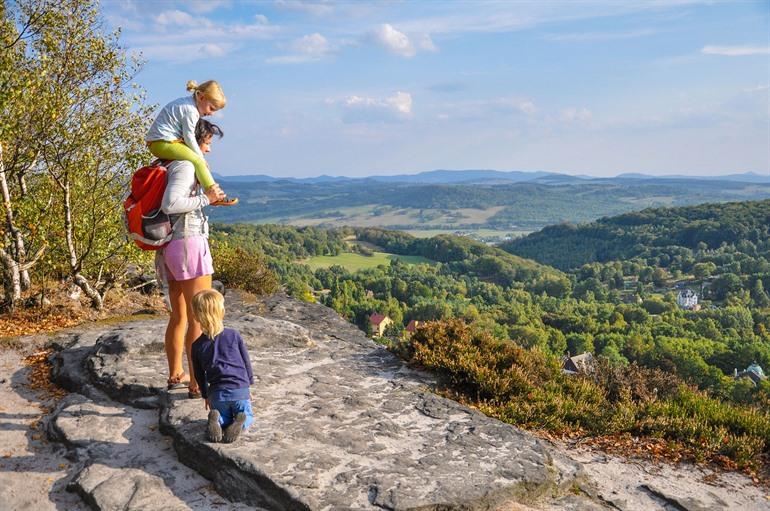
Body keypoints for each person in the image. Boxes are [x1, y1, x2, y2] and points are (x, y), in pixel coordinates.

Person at [157, 119, 226, 398]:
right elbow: (170, 204)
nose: (207, 150)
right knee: (199, 316)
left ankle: (177, 374)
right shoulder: (186, 166)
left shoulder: (171, 164)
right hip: (189, 245)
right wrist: (206, 199)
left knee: (180, 315)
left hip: (171, 246)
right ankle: (197, 382)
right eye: (206, 142)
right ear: (191, 141)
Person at [190, 289, 254, 443]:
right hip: (239, 389)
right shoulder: (233, 335)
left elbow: (199, 374)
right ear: (222, 311)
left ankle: (217, 420)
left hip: (217, 393)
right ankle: (240, 422)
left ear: (196, 316)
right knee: (248, 415)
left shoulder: (197, 345)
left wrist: (206, 395)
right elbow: (246, 362)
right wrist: (248, 385)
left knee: (223, 416)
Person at [146, 80, 227, 200]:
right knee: (198, 161)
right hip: (162, 142)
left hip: (160, 142)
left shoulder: (186, 104)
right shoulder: (191, 111)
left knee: (197, 159)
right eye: (211, 108)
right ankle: (214, 194)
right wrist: (200, 157)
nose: (212, 113)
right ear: (201, 97)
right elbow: (189, 136)